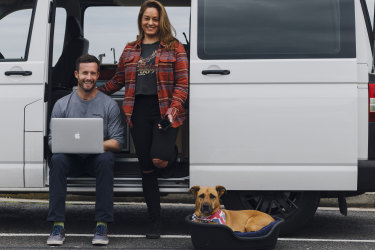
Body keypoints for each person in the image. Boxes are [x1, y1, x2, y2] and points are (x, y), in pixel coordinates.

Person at [98, 0, 188, 239]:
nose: (150, 23)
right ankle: (155, 221)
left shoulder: (174, 47)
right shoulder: (129, 49)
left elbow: (182, 84)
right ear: (141, 20)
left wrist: (173, 111)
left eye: (155, 19)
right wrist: (95, 91)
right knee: (146, 168)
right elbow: (118, 80)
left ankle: (171, 155)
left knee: (159, 159)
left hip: (164, 110)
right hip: (137, 111)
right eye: (146, 18)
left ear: (162, 21)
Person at [47, 54, 124, 246]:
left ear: (98, 75)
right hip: (70, 160)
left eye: (92, 73)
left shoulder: (109, 105)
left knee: (106, 160)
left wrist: (93, 143)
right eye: (84, 73)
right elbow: (51, 142)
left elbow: (117, 142)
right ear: (76, 74)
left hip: (95, 160)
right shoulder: (62, 104)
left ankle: (102, 225)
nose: (88, 77)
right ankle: (57, 225)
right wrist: (70, 145)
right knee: (57, 160)